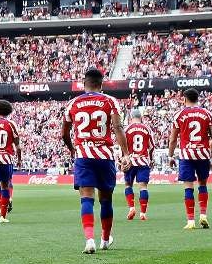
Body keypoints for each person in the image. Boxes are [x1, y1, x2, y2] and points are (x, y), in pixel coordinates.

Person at [61, 69, 129, 254]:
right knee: (106, 199)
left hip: (83, 156)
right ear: (101, 84)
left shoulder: (73, 103)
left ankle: (89, 239)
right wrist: (126, 154)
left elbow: (64, 134)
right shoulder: (110, 101)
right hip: (105, 156)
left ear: (84, 83)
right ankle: (105, 240)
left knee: (86, 198)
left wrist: (73, 149)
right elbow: (118, 127)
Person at [168, 89, 212, 230]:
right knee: (202, 184)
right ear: (198, 98)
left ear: (184, 99)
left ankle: (190, 220)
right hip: (203, 154)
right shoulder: (207, 114)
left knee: (188, 186)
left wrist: (171, 156)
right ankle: (203, 215)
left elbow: (173, 139)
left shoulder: (179, 115)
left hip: (186, 155)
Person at [124, 109, 154, 221]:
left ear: (131, 117)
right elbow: (152, 147)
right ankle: (143, 213)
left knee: (128, 185)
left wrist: (122, 159)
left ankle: (131, 208)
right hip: (143, 161)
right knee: (143, 187)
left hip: (130, 161)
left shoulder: (126, 129)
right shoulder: (147, 129)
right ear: (140, 117)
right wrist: (150, 159)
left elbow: (122, 145)